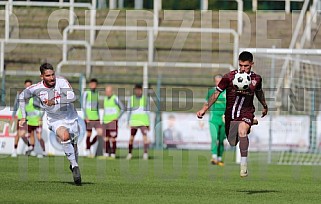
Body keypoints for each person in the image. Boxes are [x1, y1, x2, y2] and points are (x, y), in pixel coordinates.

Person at [197, 51, 268, 177]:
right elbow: (216, 94)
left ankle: (244, 165)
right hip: (230, 115)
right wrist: (204, 109)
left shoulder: (256, 79)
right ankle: (251, 122)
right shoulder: (228, 77)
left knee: (242, 131)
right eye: (241, 65)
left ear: (252, 64)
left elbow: (259, 92)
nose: (243, 68)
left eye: (246, 66)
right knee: (233, 142)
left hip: (247, 111)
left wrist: (264, 105)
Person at [19, 63, 81, 185]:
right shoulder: (36, 88)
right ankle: (74, 166)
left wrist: (55, 101)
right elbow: (21, 96)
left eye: (53, 74)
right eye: (48, 75)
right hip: (55, 119)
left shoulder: (61, 81)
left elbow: (72, 96)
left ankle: (73, 162)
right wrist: (23, 116)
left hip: (70, 116)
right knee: (65, 136)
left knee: (74, 145)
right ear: (42, 76)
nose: (52, 78)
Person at [206, 74, 226, 166]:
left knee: (221, 140)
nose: (218, 83)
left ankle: (219, 158)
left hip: (224, 119)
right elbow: (207, 103)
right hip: (214, 118)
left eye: (220, 81)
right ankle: (214, 157)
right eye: (217, 81)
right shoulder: (211, 91)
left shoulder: (227, 91)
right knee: (214, 138)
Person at [126, 84, 150, 160]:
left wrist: (148, 123)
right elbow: (129, 111)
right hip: (134, 122)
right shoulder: (131, 99)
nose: (138, 91)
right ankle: (130, 153)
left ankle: (145, 154)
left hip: (143, 122)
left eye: (139, 90)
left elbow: (148, 111)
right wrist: (128, 122)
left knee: (145, 138)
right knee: (131, 138)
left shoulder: (145, 99)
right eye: (136, 90)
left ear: (141, 90)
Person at [101, 86, 125, 159]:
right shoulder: (105, 99)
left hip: (113, 122)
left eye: (109, 91)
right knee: (105, 138)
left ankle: (113, 154)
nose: (107, 93)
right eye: (106, 91)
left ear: (112, 91)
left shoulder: (115, 98)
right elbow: (105, 111)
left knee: (113, 138)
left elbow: (123, 108)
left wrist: (117, 118)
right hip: (105, 121)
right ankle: (106, 153)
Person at [11, 80, 32, 157]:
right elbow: (16, 104)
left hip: (30, 118)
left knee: (23, 134)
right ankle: (15, 150)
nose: (28, 87)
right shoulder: (20, 94)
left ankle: (30, 146)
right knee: (18, 134)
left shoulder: (33, 94)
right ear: (24, 85)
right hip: (21, 117)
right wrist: (13, 115)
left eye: (29, 85)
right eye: (27, 85)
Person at [82, 78, 103, 157]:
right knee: (89, 134)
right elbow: (83, 105)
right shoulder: (86, 93)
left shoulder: (97, 93)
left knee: (100, 133)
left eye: (95, 84)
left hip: (96, 118)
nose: (93, 86)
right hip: (89, 118)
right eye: (92, 84)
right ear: (90, 84)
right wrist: (86, 116)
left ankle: (89, 145)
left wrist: (99, 117)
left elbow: (97, 107)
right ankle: (88, 150)